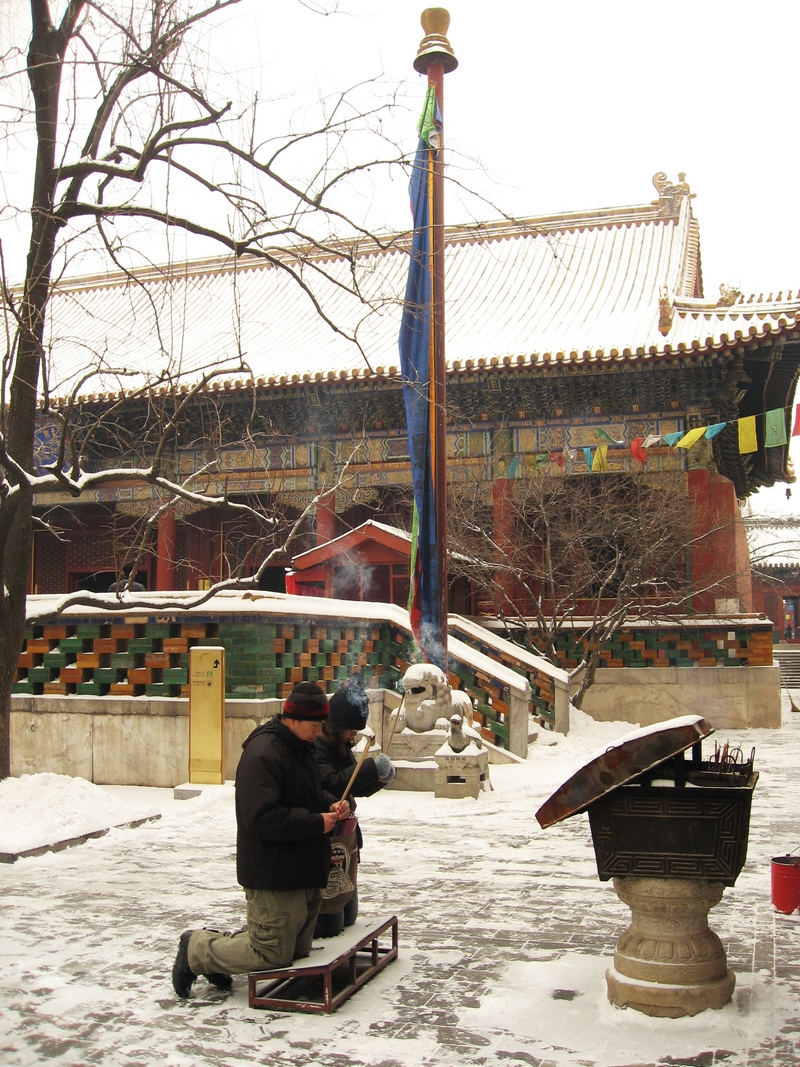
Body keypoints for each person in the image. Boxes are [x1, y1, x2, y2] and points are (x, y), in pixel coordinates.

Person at [171, 682, 350, 997]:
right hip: (274, 871)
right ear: (292, 718)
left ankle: (216, 958)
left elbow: (309, 791)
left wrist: (329, 804)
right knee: (271, 953)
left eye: (321, 724)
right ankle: (196, 950)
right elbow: (263, 817)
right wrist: (314, 822)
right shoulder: (263, 753)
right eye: (314, 724)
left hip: (304, 868)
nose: (318, 731)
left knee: (293, 950)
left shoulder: (302, 748)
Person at [312, 677, 396, 938]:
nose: (354, 736)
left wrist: (379, 779)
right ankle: (297, 926)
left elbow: (352, 786)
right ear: (337, 725)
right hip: (326, 841)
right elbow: (332, 784)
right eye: (351, 729)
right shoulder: (318, 748)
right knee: (330, 925)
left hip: (346, 839)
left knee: (349, 917)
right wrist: (370, 767)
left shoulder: (341, 744)